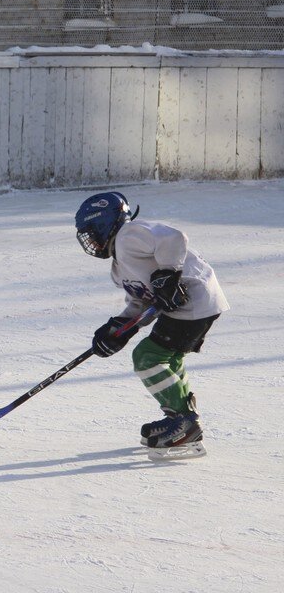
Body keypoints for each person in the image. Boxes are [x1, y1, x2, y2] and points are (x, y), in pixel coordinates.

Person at [75, 191, 229, 456]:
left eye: (91, 232)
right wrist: (118, 328)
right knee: (168, 358)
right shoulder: (118, 268)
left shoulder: (129, 235)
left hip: (195, 298)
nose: (90, 241)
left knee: (147, 356)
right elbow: (141, 301)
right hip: (194, 305)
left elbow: (174, 238)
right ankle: (181, 418)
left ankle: (184, 423)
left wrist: (168, 274)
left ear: (103, 223)